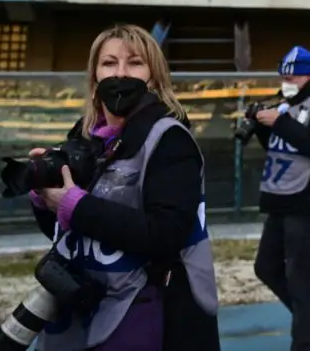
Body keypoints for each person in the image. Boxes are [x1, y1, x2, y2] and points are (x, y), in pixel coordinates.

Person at [29, 24, 220, 351]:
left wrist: (76, 205)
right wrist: (45, 198)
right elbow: (75, 235)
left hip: (151, 308)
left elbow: (165, 233)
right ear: (94, 76)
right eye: (109, 63)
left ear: (154, 76)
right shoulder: (85, 138)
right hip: (87, 304)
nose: (120, 73)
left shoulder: (170, 139)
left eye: (134, 63)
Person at [252, 46, 310, 351]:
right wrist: (259, 125)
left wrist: (279, 121)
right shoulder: (289, 102)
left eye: (291, 76)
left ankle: (304, 342)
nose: (286, 82)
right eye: (283, 76)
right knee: (266, 266)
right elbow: (284, 146)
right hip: (282, 195)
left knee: (299, 276)